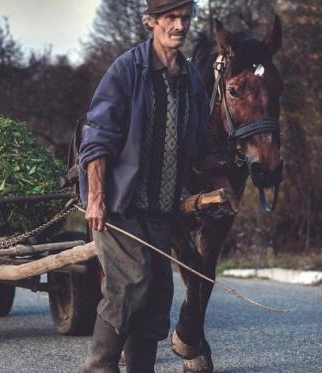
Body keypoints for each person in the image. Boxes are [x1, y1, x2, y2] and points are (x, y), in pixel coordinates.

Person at [78, 0, 211, 372]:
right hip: (120, 206)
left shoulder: (191, 80)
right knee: (130, 282)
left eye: (185, 18)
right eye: (170, 18)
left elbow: (200, 144)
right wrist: (97, 199)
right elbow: (97, 139)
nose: (179, 26)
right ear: (151, 21)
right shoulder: (126, 71)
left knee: (156, 295)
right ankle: (99, 367)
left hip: (162, 210)